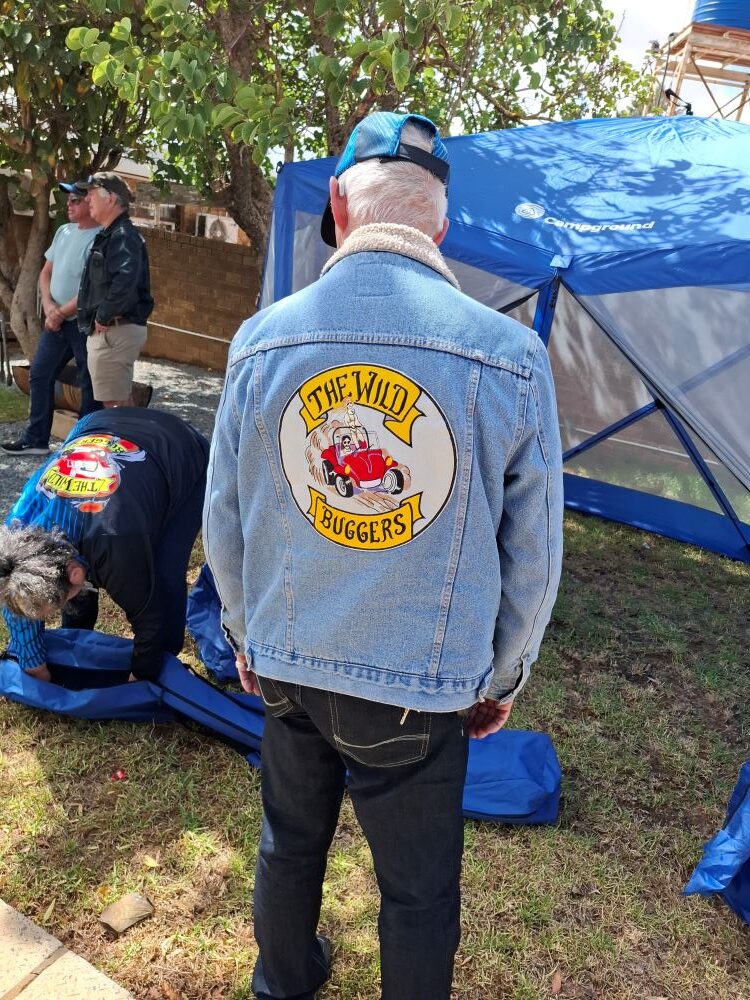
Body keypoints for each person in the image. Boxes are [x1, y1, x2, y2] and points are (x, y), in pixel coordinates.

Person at [204, 111, 564, 1000]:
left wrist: (250, 639)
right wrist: (501, 677)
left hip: (288, 668)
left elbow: (226, 518)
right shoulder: (511, 356)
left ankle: (281, 983)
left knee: (288, 844)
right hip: (419, 689)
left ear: (338, 203)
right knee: (415, 892)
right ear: (439, 222)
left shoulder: (262, 340)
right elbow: (535, 555)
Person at [0, 408, 208, 684]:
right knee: (70, 590)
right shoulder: (14, 536)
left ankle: (168, 662)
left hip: (180, 448)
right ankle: (79, 636)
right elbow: (16, 595)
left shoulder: (118, 541)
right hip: (97, 425)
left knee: (165, 572)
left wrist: (143, 676)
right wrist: (35, 666)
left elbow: (151, 615)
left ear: (75, 573)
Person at [1, 182, 102, 457]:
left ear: (91, 203)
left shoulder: (102, 238)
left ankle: (85, 444)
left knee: (88, 381)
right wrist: (48, 306)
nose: (68, 205)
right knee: (40, 373)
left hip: (82, 322)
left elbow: (90, 288)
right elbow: (46, 272)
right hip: (55, 320)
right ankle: (36, 439)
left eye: (74, 201)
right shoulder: (64, 232)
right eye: (68, 200)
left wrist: (60, 312)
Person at [77, 172, 154, 408]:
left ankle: (131, 444)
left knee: (115, 405)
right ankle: (133, 443)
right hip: (114, 330)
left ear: (110, 198)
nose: (86, 200)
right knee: (118, 401)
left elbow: (125, 280)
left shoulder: (122, 236)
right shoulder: (116, 234)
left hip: (114, 330)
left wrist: (103, 315)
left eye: (90, 194)